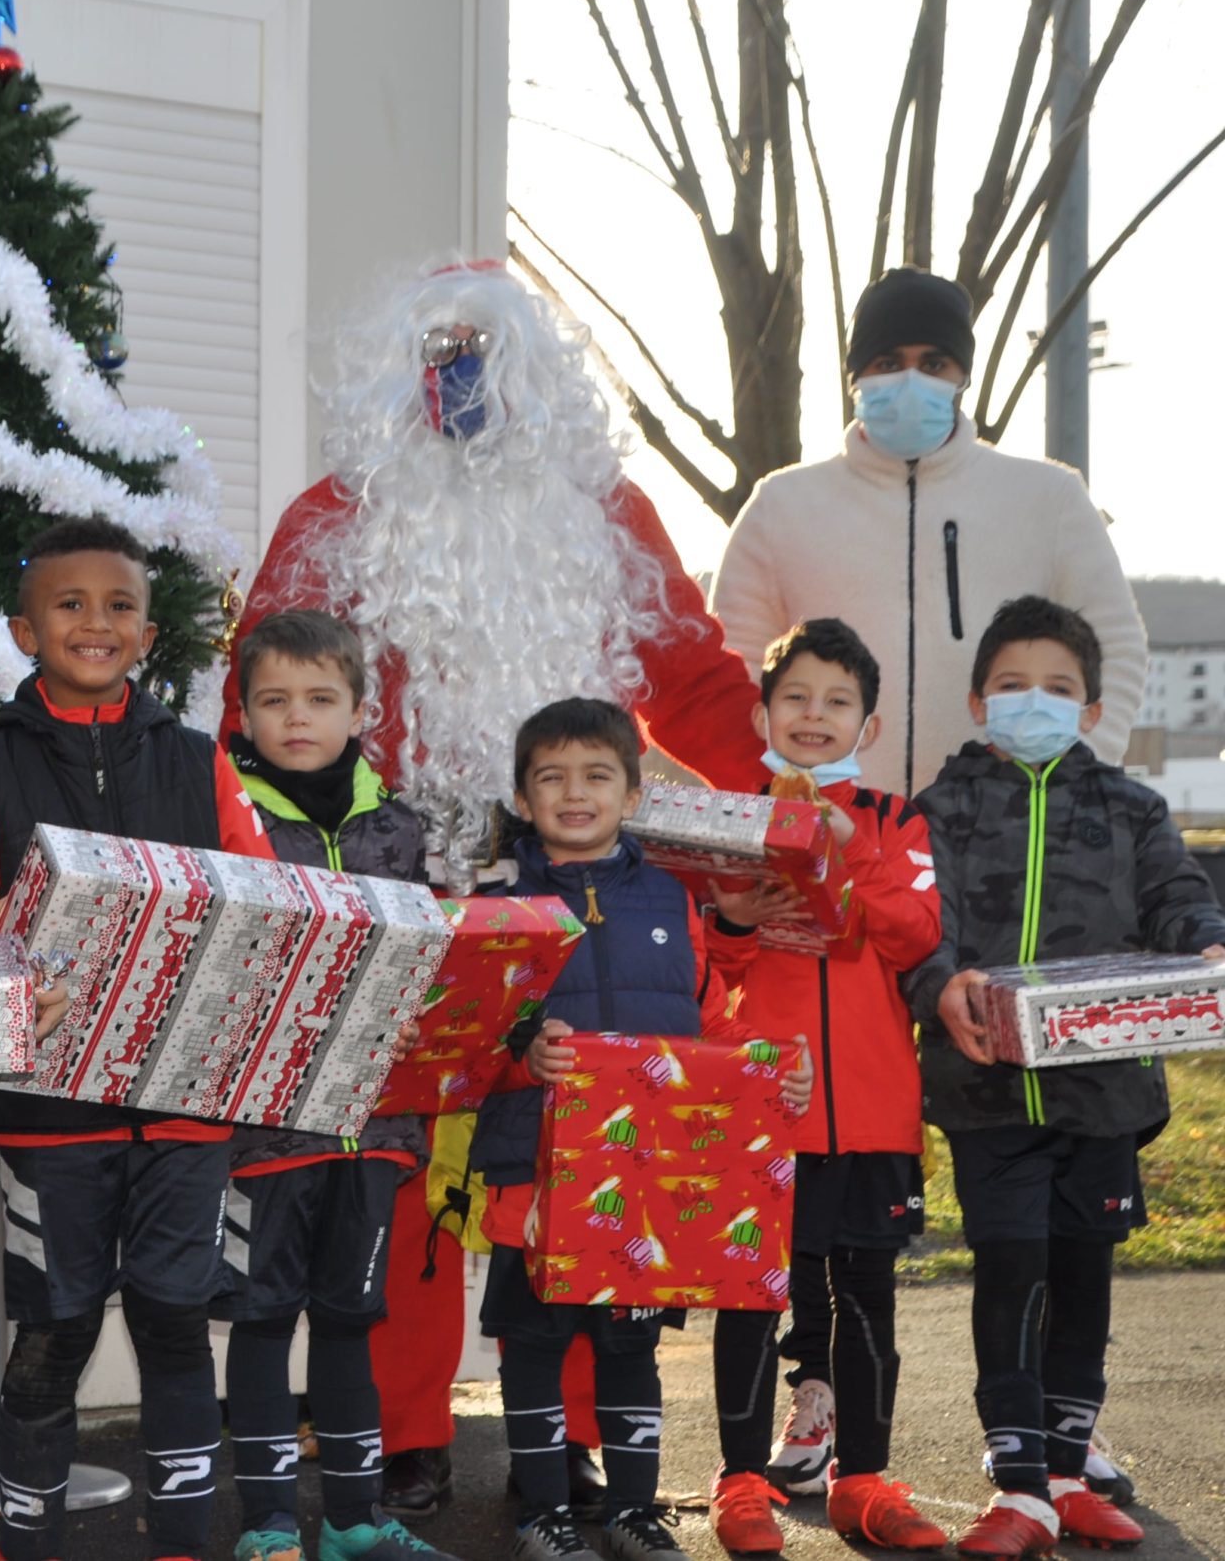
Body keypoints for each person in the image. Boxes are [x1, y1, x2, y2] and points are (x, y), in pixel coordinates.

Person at [0, 516, 274, 1561]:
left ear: (149, 630)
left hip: (185, 1097)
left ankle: (180, 1543)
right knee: (56, 1330)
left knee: (175, 1322)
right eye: (69, 603)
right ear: (26, 629)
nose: (96, 621)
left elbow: (254, 900)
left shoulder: (200, 761)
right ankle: (24, 1543)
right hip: (45, 1104)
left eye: (118, 604)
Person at [228, 260, 760, 893]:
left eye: (482, 346)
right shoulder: (332, 518)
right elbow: (256, 703)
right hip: (381, 877)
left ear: (529, 367)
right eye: (439, 348)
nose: (460, 369)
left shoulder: (608, 514)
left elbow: (695, 686)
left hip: (571, 867)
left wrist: (789, 797)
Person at [908, 596, 1225, 1559]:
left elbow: (1178, 897)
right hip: (987, 1095)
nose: (1032, 702)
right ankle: (1018, 1489)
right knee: (1010, 1275)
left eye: (1056, 688)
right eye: (1011, 687)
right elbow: (923, 923)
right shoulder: (943, 808)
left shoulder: (1131, 807)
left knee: (1086, 1281)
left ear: (1090, 709)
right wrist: (939, 984)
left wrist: (1207, 949)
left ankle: (1063, 1470)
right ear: (978, 702)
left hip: (1106, 1100)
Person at [471, 699, 811, 1561]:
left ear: (632, 795)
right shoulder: (495, 903)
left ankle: (634, 1511)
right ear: (521, 795)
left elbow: (707, 1019)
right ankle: (541, 1513)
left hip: (645, 1171)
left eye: (596, 776)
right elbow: (467, 1038)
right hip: (530, 1166)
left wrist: (775, 1071)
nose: (574, 793)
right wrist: (521, 1059)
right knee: (535, 1345)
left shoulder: (671, 896)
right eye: (551, 777)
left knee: (629, 1348)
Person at [710, 269, 1148, 798]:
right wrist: (777, 797)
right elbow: (732, 667)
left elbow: (1116, 647)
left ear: (961, 375)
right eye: (889, 362)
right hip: (835, 838)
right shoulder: (781, 505)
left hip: (1001, 835)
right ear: (857, 375)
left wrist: (1072, 780)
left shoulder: (1049, 498)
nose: (911, 379)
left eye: (933, 363)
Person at [701, 620, 946, 1555]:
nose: (814, 716)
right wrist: (729, 920)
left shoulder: (895, 821)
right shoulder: (729, 817)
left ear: (868, 725)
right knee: (754, 1296)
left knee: (866, 1297)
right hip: (762, 1105)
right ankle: (739, 1481)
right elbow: (701, 968)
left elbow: (916, 937)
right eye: (796, 697)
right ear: (764, 711)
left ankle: (865, 1480)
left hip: (877, 1111)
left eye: (837, 701)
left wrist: (851, 848)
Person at [219, 610, 458, 1561]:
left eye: (321, 699)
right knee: (265, 1319)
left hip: (375, 1121)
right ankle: (270, 1526)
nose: (297, 718)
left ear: (359, 710)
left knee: (353, 1319)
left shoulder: (399, 827)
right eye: (273, 701)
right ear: (243, 710)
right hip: (262, 1127)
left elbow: (436, 962)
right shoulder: (221, 813)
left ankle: (356, 1522)